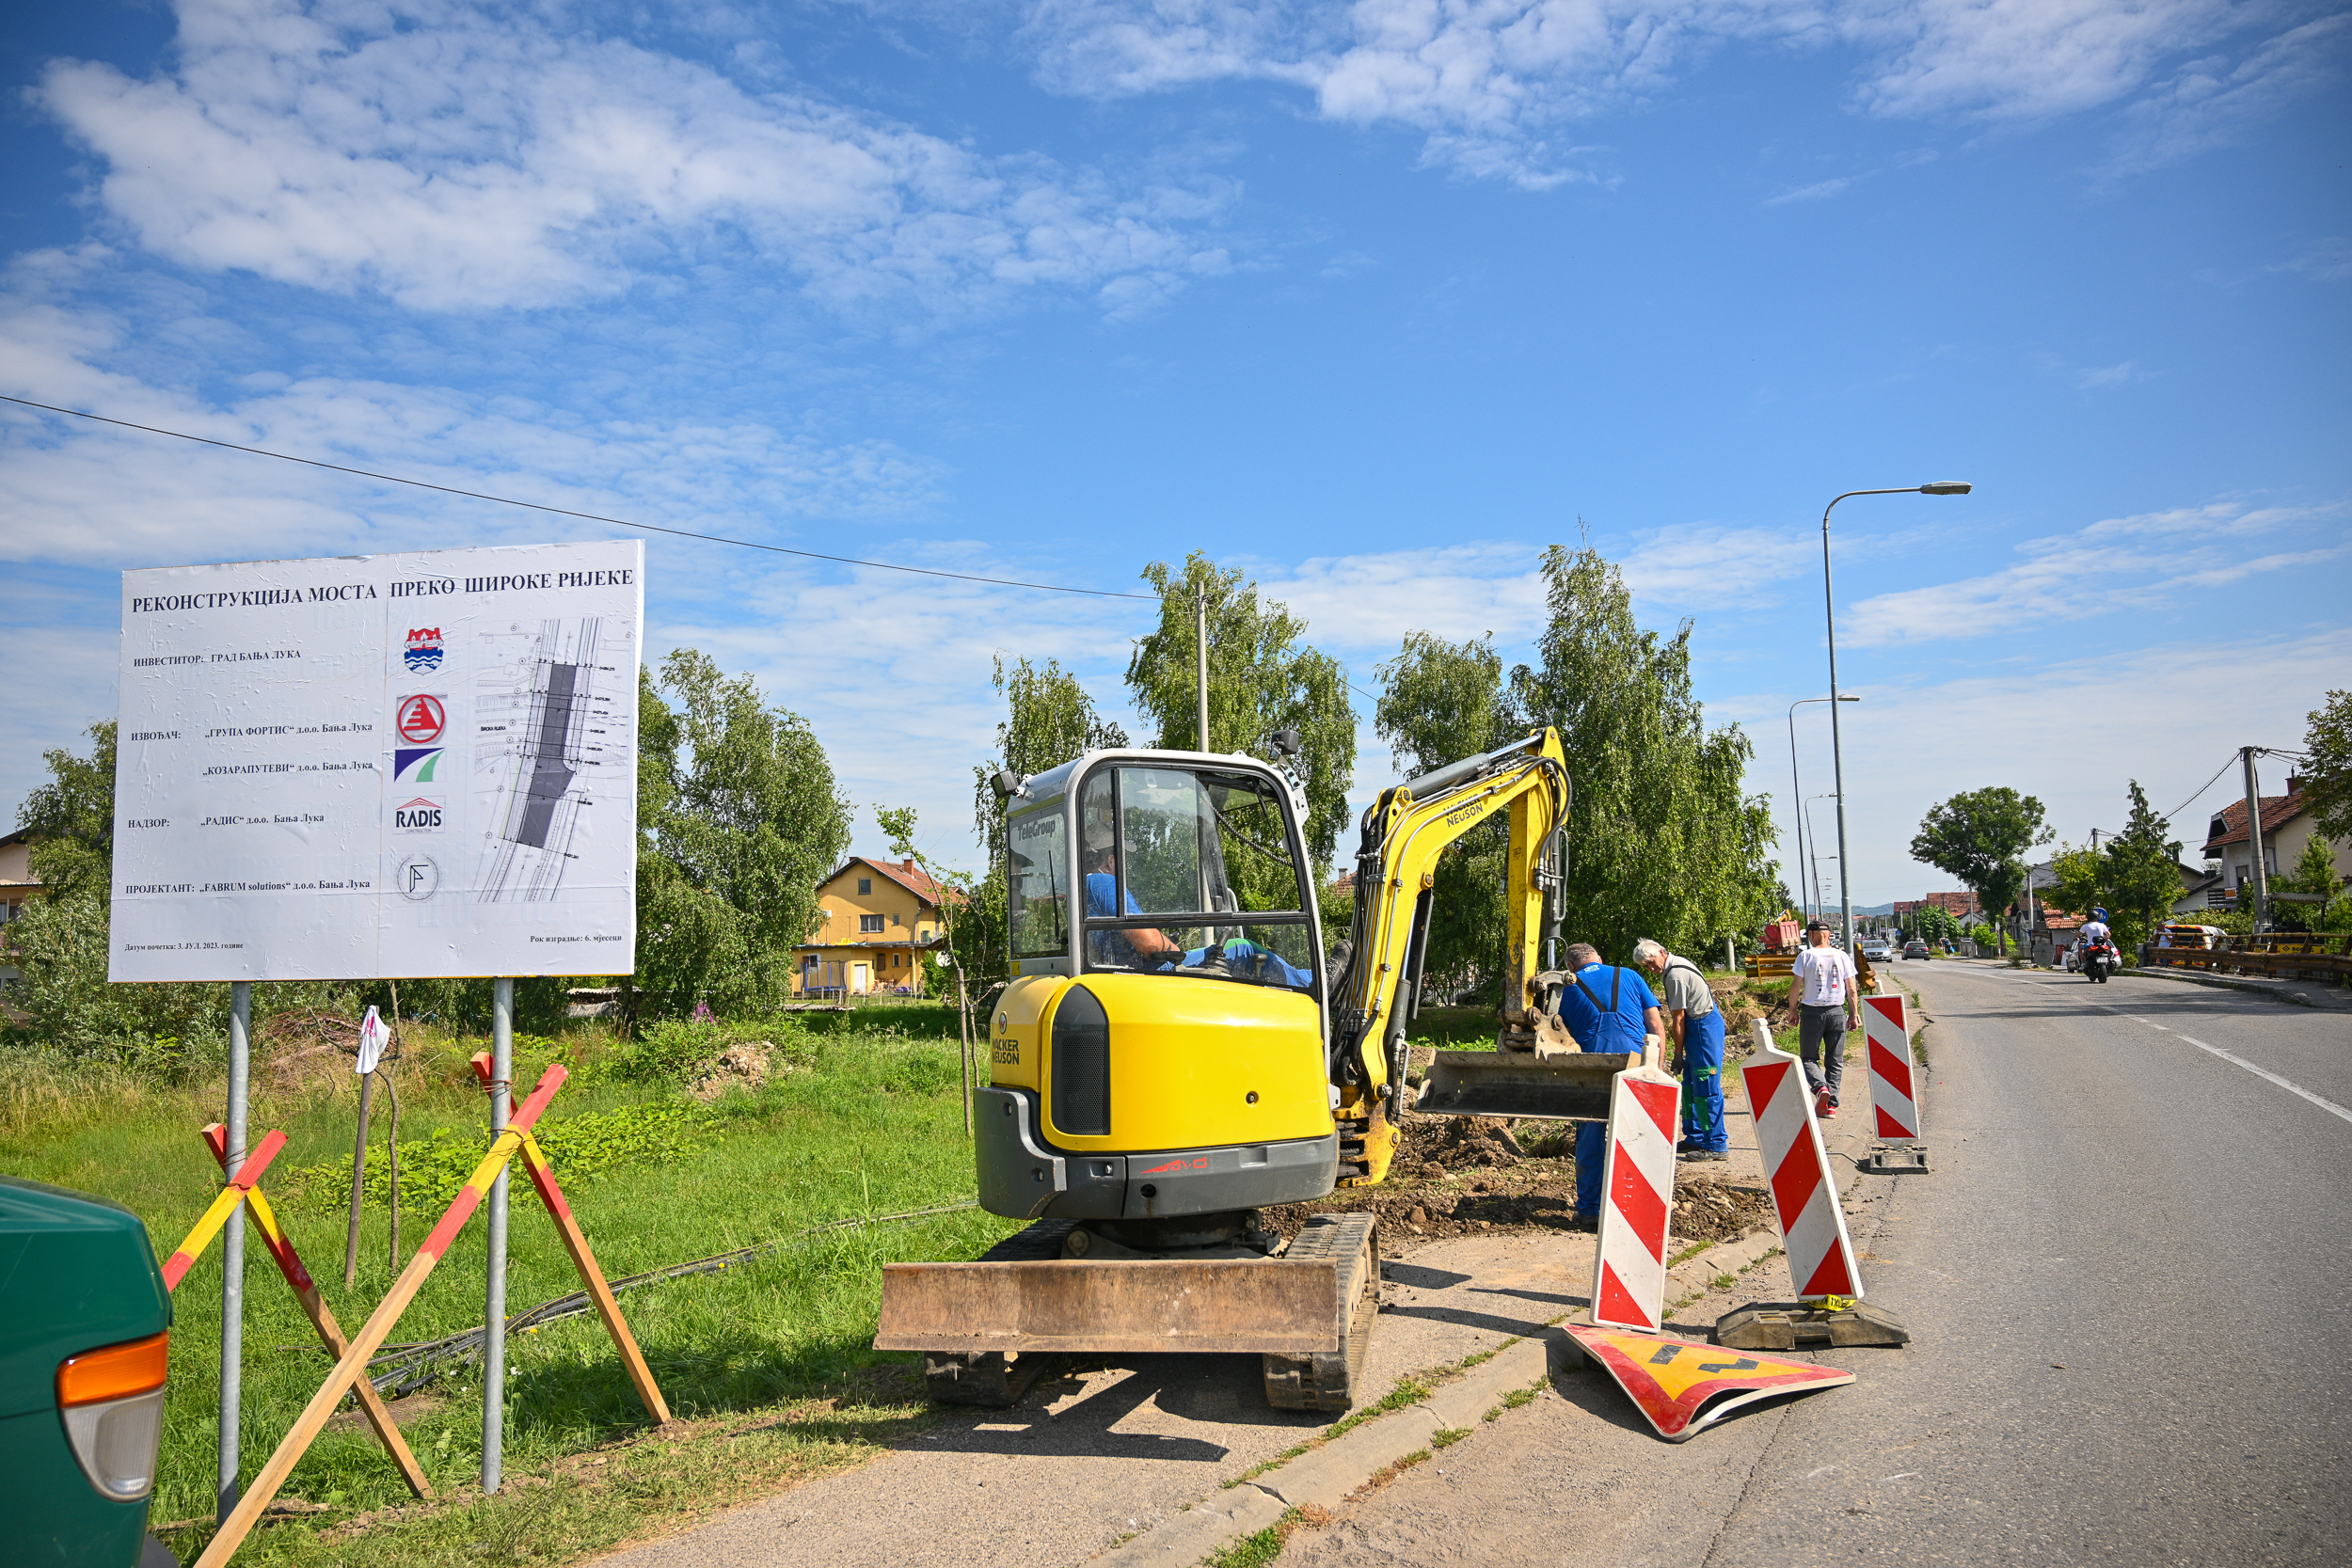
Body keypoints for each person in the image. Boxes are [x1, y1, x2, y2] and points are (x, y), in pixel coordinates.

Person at [1550, 942, 1666, 1224]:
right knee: (1638, 1132)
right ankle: (1637, 1204)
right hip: (1636, 1062)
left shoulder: (1564, 989)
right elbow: (1656, 1026)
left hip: (1592, 1068)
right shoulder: (1630, 975)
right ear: (1599, 959)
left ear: (1570, 967)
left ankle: (1590, 1210)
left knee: (1590, 1133)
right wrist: (1657, 1071)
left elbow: (1556, 1035)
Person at [1635, 939, 1726, 1162]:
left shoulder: (1675, 975)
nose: (1651, 968)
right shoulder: (1674, 966)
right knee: (1690, 1085)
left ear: (1661, 952)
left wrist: (1677, 1055)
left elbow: (1679, 1019)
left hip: (1702, 1026)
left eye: (1651, 962)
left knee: (1705, 1084)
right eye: (1645, 967)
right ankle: (1695, 1136)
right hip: (1699, 1026)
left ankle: (1715, 1144)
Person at [1791, 920, 1858, 1117]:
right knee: (1835, 1061)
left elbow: (1796, 987)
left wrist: (1792, 1010)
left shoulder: (1805, 956)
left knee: (1809, 1058)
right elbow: (1852, 988)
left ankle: (1821, 1089)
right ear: (1829, 935)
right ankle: (1831, 1106)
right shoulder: (1842, 956)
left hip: (1812, 1013)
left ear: (1811, 935)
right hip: (1837, 1012)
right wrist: (1853, 1014)